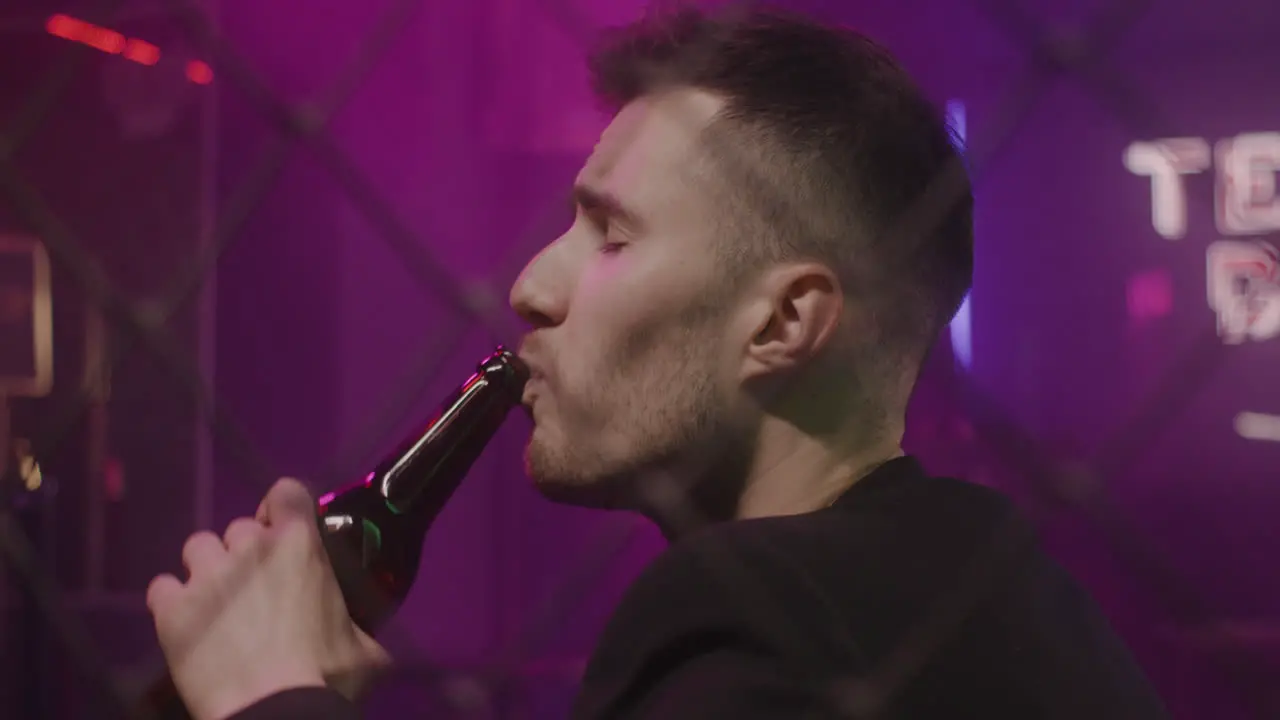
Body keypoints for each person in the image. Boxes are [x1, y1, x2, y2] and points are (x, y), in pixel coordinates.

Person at [145, 5, 1170, 719]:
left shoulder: (743, 612)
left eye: (610, 233)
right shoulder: (1011, 595)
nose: (531, 285)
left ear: (781, 324)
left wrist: (269, 697)